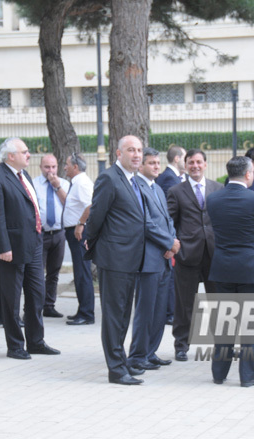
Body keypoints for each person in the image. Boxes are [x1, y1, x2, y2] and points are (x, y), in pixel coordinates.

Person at [85, 136, 177, 385]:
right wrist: (90, 243)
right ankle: (116, 369)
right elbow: (96, 216)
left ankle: (122, 361)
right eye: (131, 150)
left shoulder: (133, 181)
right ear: (118, 153)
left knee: (125, 314)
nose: (136, 155)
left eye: (138, 150)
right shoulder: (109, 178)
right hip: (114, 259)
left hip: (132, 259)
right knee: (115, 316)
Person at [207, 156, 254, 387]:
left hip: (222, 269)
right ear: (249, 174)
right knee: (250, 325)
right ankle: (247, 376)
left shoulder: (213, 199)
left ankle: (219, 374)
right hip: (252, 268)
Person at [0, 137, 60, 360]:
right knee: (11, 299)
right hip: (11, 249)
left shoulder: (23, 175)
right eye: (24, 152)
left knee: (37, 294)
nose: (29, 155)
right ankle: (15, 345)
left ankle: (36, 341)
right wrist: (3, 247)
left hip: (34, 244)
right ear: (11, 156)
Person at [167, 149, 223, 362]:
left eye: (199, 162)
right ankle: (181, 345)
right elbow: (170, 221)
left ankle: (222, 344)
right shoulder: (175, 191)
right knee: (185, 304)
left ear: (205, 164)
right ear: (185, 165)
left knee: (218, 301)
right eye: (191, 162)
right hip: (187, 255)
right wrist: (173, 244)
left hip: (214, 254)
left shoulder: (218, 189)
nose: (195, 166)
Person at [127, 148, 179, 371]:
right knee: (145, 310)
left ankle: (150, 352)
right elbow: (145, 222)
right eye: (152, 163)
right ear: (140, 166)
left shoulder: (157, 188)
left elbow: (167, 220)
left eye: (158, 163)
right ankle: (137, 356)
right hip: (148, 259)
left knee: (159, 311)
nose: (157, 167)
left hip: (164, 258)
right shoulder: (136, 187)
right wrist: (169, 243)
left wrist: (172, 242)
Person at [33, 154, 71, 319]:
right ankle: (35, 307)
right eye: (47, 167)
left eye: (53, 167)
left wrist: (57, 187)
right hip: (40, 234)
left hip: (58, 233)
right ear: (41, 167)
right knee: (37, 273)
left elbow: (69, 204)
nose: (50, 171)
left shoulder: (64, 184)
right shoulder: (33, 184)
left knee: (54, 272)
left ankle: (49, 305)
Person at [62, 152, 95, 325]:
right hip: (74, 232)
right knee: (79, 271)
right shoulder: (76, 183)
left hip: (79, 233)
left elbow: (91, 205)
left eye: (67, 164)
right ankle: (82, 309)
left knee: (82, 272)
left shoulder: (81, 183)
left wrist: (81, 223)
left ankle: (87, 313)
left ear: (75, 166)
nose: (65, 167)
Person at [154, 145, 186, 325]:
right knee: (170, 277)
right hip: (170, 238)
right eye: (186, 157)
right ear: (176, 158)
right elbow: (169, 214)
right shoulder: (169, 179)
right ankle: (170, 313)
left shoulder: (172, 177)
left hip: (170, 237)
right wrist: (169, 241)